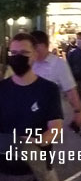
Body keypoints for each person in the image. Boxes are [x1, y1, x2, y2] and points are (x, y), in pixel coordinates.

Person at [0, 33, 63, 180]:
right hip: (4, 168)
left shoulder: (48, 89)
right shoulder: (2, 89)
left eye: (24, 53)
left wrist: (36, 141)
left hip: (36, 168)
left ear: (35, 55)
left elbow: (55, 127)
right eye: (14, 53)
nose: (18, 57)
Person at [31, 30, 81, 133]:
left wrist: (78, 112)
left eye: (36, 47)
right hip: (25, 113)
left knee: (41, 145)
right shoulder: (29, 62)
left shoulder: (58, 64)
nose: (34, 51)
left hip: (47, 116)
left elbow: (70, 90)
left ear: (45, 45)